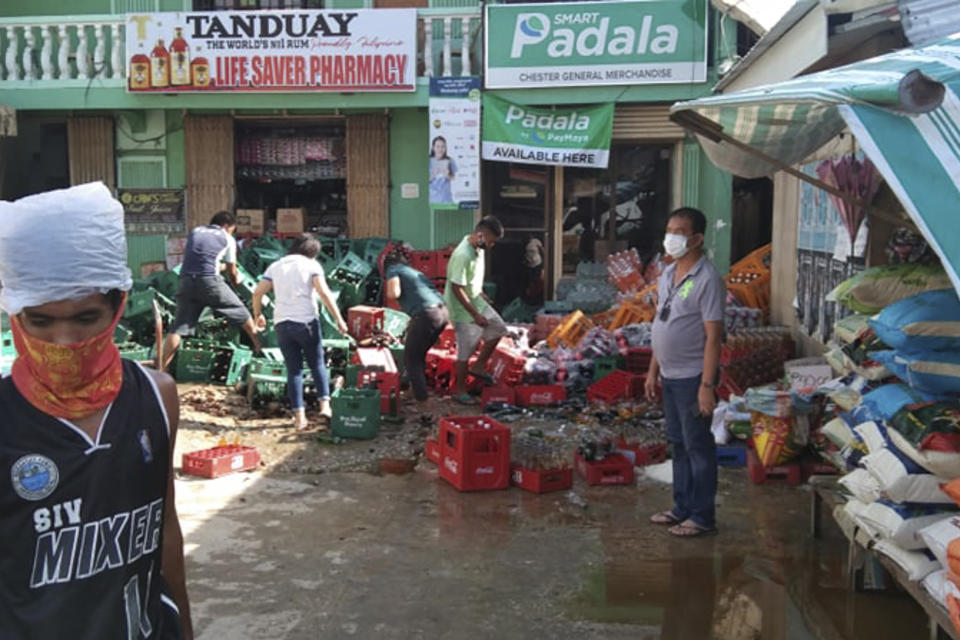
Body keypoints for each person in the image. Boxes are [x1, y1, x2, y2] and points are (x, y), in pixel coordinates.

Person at [0, 182, 192, 638]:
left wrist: (184, 627)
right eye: (40, 321)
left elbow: (164, 529)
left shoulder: (156, 397)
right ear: (15, 317)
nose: (63, 342)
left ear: (117, 307)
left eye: (86, 318)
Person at [645, 207, 724, 538]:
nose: (671, 237)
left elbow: (714, 337)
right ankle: (681, 507)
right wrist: (652, 371)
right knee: (677, 444)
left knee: (697, 446)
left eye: (679, 231)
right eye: (669, 229)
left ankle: (702, 515)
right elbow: (660, 324)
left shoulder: (707, 280)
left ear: (696, 238)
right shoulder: (668, 274)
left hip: (693, 377)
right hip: (669, 375)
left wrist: (707, 385)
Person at [252, 234, 348, 431]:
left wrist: (258, 315)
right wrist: (339, 319)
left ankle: (299, 418)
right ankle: (325, 407)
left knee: (293, 370)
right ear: (313, 253)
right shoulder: (311, 265)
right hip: (306, 322)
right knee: (317, 364)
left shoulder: (276, 266)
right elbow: (324, 293)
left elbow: (258, 292)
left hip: (282, 324)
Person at [162, 210, 261, 371]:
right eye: (232, 229)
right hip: (209, 282)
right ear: (227, 226)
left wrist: (218, 267)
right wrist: (235, 284)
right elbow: (232, 270)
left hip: (186, 280)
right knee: (241, 311)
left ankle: (163, 369)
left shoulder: (195, 232)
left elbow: (200, 258)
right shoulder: (227, 238)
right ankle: (258, 346)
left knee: (178, 327)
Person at [444, 216, 507, 405]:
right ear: (480, 235)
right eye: (491, 241)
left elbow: (471, 281)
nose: (492, 245)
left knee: (499, 328)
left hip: (476, 300)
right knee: (466, 350)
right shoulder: (463, 254)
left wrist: (481, 295)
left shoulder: (477, 249)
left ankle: (479, 366)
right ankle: (459, 390)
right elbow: (457, 287)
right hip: (462, 308)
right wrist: (475, 315)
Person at [383, 245, 449, 422]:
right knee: (418, 356)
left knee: (410, 359)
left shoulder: (393, 270)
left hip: (426, 314)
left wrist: (391, 286)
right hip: (442, 313)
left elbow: (393, 293)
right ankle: (414, 392)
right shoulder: (410, 271)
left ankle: (425, 409)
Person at [429, 136, 458, 204]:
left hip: (446, 199)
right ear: (433, 147)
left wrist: (447, 175)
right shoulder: (428, 160)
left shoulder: (450, 160)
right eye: (438, 146)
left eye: (443, 146)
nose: (440, 149)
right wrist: (433, 174)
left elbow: (453, 178)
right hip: (432, 199)